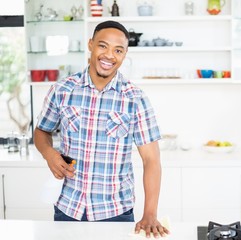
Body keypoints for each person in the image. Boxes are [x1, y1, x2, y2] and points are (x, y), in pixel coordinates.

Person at [34, 20, 169, 238]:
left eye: (118, 50)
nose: (109, 55)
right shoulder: (62, 90)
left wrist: (150, 213)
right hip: (67, 208)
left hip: (116, 212)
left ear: (125, 55)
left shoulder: (135, 98)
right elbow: (41, 131)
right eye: (103, 46)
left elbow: (151, 160)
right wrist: (49, 153)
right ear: (91, 44)